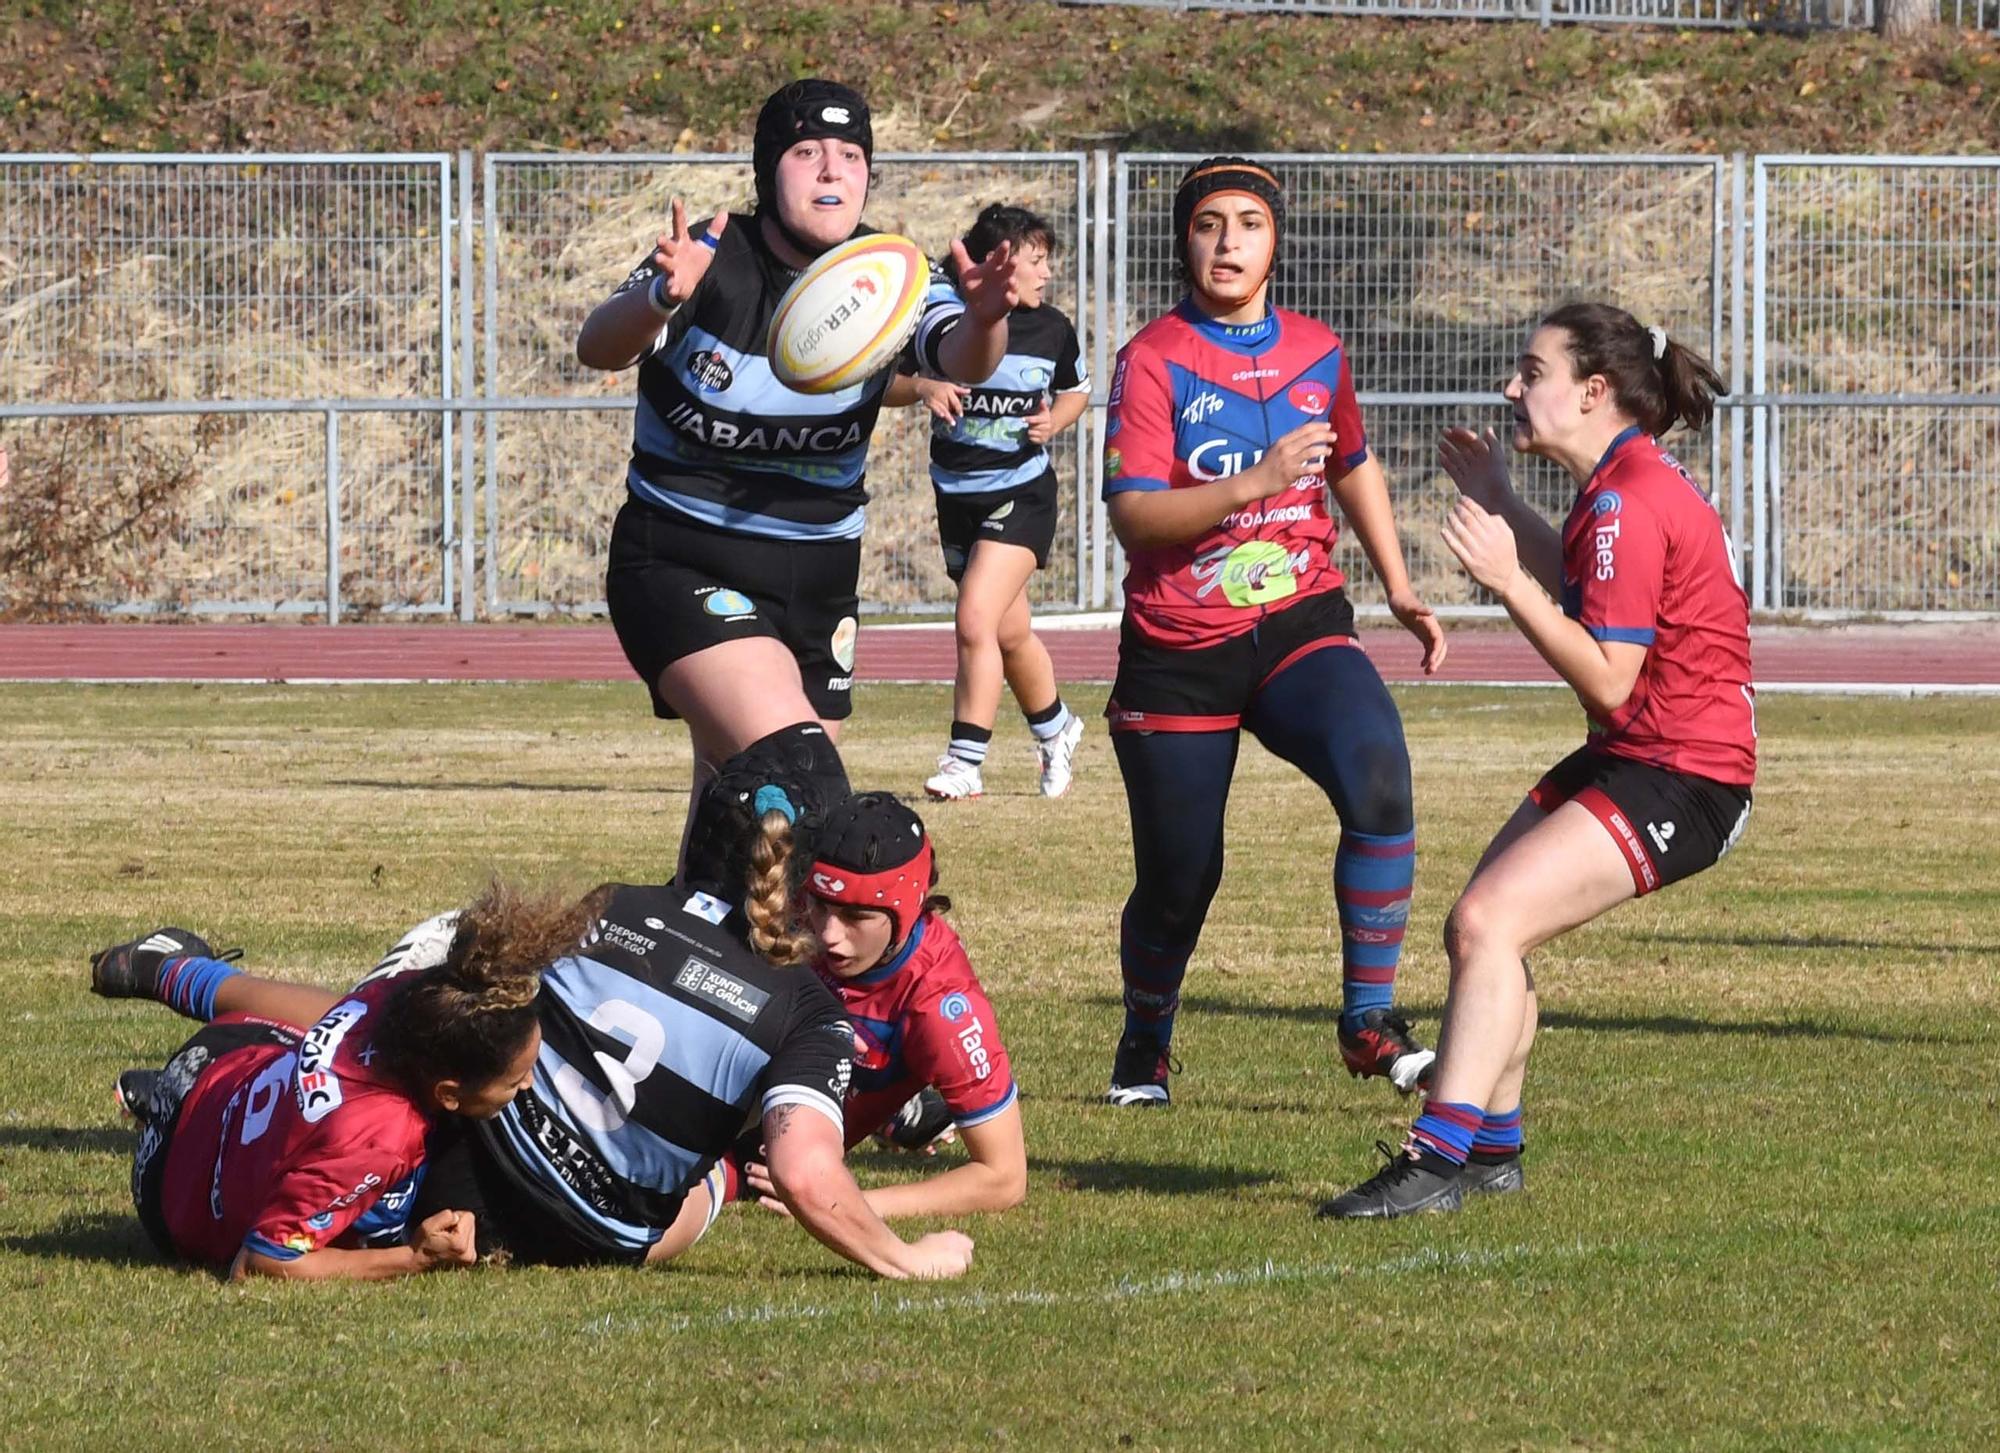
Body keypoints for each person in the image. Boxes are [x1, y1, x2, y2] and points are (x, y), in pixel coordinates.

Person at [96, 733, 978, 1279]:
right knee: (720, 1163)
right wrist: (910, 1260)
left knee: (377, 1020)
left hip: (473, 1154)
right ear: (797, 880)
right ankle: (199, 1057)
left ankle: (186, 986)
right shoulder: (810, 1011)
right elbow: (807, 1175)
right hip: (595, 1229)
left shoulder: (613, 903)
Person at [1320, 303, 1754, 1219]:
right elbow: (1592, 585)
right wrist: (1508, 505)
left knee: (1489, 921)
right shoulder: (1619, 486)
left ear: (1594, 391)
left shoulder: (1629, 499)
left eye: (1531, 371)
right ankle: (1492, 1153)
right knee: (1477, 927)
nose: (1512, 387)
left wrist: (1507, 581)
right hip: (1644, 752)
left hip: (1686, 775)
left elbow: (1607, 677)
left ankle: (1434, 1163)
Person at [574, 78, 1022, 859]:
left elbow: (959, 356)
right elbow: (598, 345)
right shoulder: (711, 256)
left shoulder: (889, 275)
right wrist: (657, 295)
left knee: (734, 801)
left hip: (814, 577)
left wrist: (987, 322)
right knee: (801, 777)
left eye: (851, 155)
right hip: (679, 554)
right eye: (807, 151)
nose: (831, 171)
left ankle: (685, 951)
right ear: (767, 169)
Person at [1096, 157, 1448, 1108]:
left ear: (1275, 240)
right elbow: (1134, 517)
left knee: (1379, 772)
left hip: (1299, 619)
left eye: (1248, 223)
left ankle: (1367, 1021)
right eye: (1209, 224)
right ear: (1185, 239)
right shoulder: (1152, 358)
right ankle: (1145, 1040)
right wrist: (1253, 481)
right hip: (1179, 647)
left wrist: (1402, 583)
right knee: (1181, 878)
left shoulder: (1319, 350)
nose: (1227, 242)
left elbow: (1353, 462)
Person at [91, 881, 572, 1281]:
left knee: (323, 1022)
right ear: (448, 1092)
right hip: (168, 1198)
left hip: (212, 1068)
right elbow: (261, 1262)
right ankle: (164, 1076)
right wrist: (415, 1257)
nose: (528, 1085)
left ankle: (171, 972)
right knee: (378, 1214)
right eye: (515, 1081)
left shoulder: (402, 999)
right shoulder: (377, 1140)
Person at [736, 792, 1026, 1219]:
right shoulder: (789, 901)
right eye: (820, 906)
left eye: (855, 916)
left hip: (758, 1145)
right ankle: (898, 1113)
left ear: (905, 913)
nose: (829, 934)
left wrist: (846, 1204)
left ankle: (893, 1107)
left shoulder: (941, 1007)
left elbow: (1004, 1177)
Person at [884, 205, 1090, 802]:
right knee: (1008, 633)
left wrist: (1057, 419)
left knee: (975, 617)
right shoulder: (945, 324)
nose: (1046, 272)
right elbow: (883, 385)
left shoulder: (1053, 328)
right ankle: (1056, 729)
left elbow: (1077, 392)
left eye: (1046, 260)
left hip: (1022, 495)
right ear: (998, 266)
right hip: (957, 497)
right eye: (1035, 260)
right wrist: (924, 385)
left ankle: (964, 761)